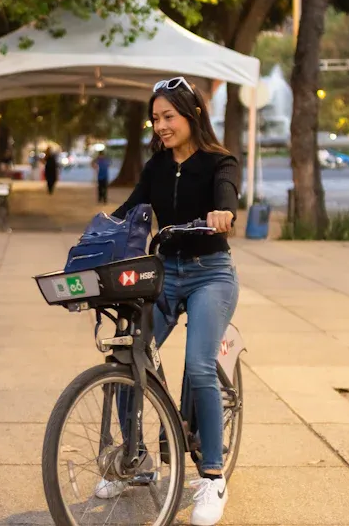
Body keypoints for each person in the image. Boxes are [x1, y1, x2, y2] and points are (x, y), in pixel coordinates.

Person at [98, 76, 241, 525]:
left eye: (169, 117)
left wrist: (222, 214)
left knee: (198, 365)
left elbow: (226, 195)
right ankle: (135, 459)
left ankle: (213, 478)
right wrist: (100, 228)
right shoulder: (157, 167)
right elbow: (132, 210)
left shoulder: (220, 161)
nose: (160, 126)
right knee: (127, 361)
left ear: (193, 114)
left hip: (210, 275)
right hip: (164, 275)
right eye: (155, 118)